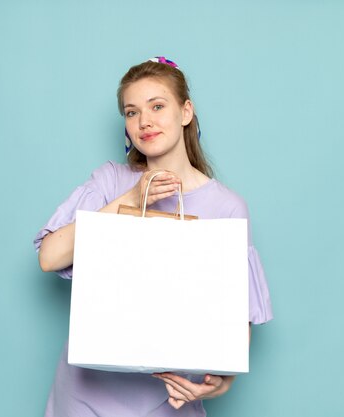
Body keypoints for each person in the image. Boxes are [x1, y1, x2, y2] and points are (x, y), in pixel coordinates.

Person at [34, 57, 273, 417]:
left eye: (157, 106)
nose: (144, 121)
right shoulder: (111, 181)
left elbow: (235, 322)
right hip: (85, 396)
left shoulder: (227, 206)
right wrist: (129, 200)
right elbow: (50, 257)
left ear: (185, 112)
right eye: (132, 112)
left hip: (168, 399)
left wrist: (223, 382)